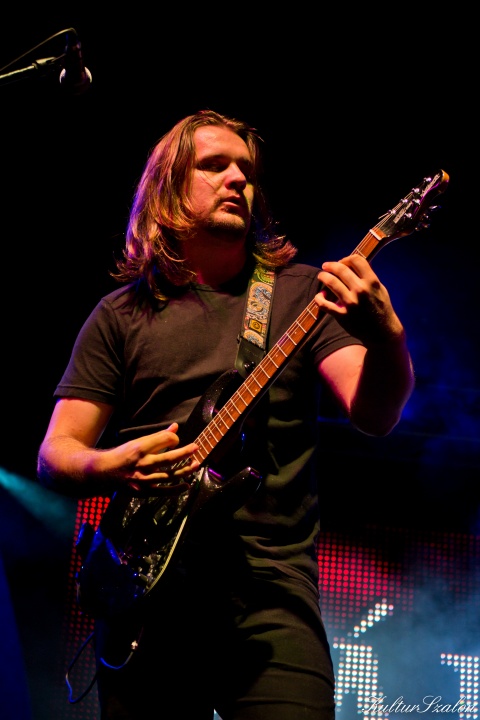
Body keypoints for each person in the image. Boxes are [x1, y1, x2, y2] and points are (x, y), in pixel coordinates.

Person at [37, 109, 415, 720]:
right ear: (167, 189)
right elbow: (57, 454)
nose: (238, 178)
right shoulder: (120, 314)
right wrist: (115, 464)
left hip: (270, 597)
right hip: (146, 598)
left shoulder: (302, 294)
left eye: (246, 170)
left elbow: (375, 414)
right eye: (214, 165)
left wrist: (389, 336)